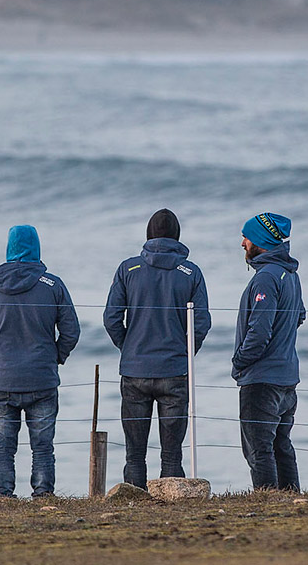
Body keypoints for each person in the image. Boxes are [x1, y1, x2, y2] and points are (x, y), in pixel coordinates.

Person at [0, 224, 81, 498]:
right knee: (42, 446)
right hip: (41, 377)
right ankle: (43, 494)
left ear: (9, 248)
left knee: (3, 446)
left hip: (3, 378)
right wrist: (56, 357)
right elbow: (71, 331)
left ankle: (3, 496)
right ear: (36, 248)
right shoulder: (53, 285)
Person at [103, 208, 210, 489]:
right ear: (177, 236)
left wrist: (128, 347)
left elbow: (111, 318)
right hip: (174, 372)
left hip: (135, 370)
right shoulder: (191, 272)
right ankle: (171, 502)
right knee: (172, 455)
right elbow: (201, 323)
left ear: (148, 235)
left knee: (134, 453)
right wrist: (185, 353)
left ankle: (134, 500)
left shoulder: (128, 268)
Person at [233, 212, 306, 491]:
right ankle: (291, 498)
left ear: (261, 241)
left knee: (258, 449)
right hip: (287, 377)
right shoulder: (290, 274)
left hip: (262, 380)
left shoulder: (266, 278)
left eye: (247, 237)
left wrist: (240, 361)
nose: (242, 243)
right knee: (281, 445)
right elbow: (299, 315)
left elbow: (259, 332)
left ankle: (268, 501)